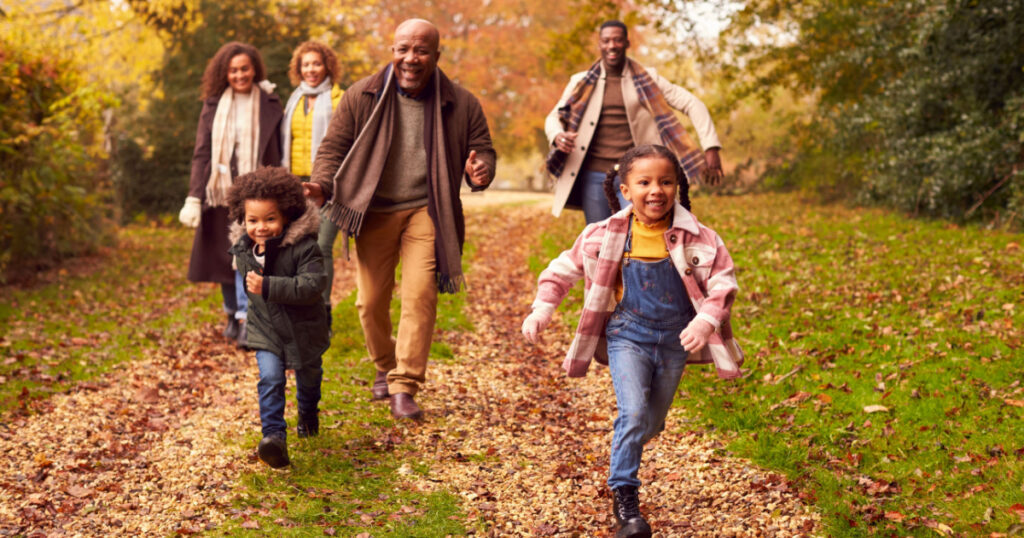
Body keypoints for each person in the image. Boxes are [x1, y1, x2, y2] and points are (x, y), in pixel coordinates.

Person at [521, 145, 743, 537]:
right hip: (628, 334)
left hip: (677, 338)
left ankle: (629, 435)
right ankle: (626, 499)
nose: (655, 190)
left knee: (651, 422)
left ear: (677, 187)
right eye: (644, 182)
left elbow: (723, 282)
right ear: (625, 189)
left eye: (665, 182)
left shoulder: (700, 238)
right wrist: (542, 309)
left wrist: (706, 321)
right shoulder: (604, 234)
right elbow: (560, 271)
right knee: (635, 414)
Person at [305, 18, 496, 420]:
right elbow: (332, 149)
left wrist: (482, 171)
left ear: (436, 56)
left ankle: (404, 384)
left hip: (429, 210)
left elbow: (483, 150)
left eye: (421, 50)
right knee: (369, 301)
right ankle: (384, 364)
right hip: (373, 209)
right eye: (403, 49)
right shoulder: (363, 95)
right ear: (392, 52)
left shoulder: (461, 103)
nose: (411, 58)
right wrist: (322, 185)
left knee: (419, 294)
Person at [544, 20, 724, 223]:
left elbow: (692, 103)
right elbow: (553, 118)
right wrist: (558, 135)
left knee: (638, 237)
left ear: (626, 43)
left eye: (617, 40)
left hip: (637, 176)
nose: (612, 45)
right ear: (600, 45)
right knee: (598, 243)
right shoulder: (580, 82)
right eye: (606, 41)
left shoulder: (648, 79)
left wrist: (711, 147)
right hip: (593, 177)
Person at [178, 42, 283, 348]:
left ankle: (245, 318)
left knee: (249, 256)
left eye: (245, 69)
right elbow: (201, 153)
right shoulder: (212, 104)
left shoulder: (268, 102)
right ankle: (231, 313)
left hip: (255, 194)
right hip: (219, 193)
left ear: (255, 70)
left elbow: (277, 148)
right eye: (234, 70)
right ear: (225, 72)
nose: (239, 75)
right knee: (223, 261)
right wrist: (194, 196)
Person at [227, 167, 329, 469]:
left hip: (304, 328)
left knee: (309, 378)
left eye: (270, 219)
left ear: (286, 215)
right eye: (252, 220)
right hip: (267, 330)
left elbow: (312, 286)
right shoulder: (243, 249)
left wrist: (268, 285)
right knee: (270, 379)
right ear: (242, 219)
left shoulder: (305, 247)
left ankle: (308, 415)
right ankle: (273, 438)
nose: (260, 227)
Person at [280, 41, 345, 323]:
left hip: (331, 185)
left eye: (316, 64)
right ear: (298, 69)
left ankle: (323, 309)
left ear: (327, 66)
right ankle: (302, 308)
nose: (311, 69)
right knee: (297, 247)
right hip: (297, 184)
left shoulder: (340, 99)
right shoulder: (294, 100)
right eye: (305, 64)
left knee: (321, 246)